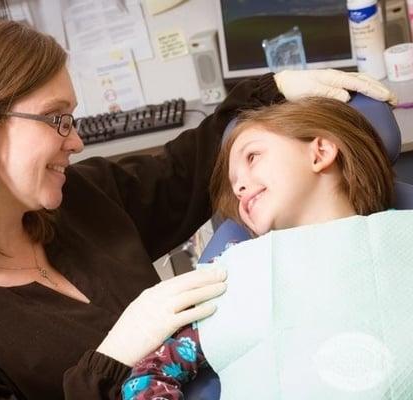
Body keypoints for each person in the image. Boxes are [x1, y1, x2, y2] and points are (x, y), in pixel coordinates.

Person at [0, 18, 395, 400]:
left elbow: (179, 171)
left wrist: (267, 94)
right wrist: (110, 360)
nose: (76, 141)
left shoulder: (75, 202)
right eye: (57, 119)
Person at [121, 97, 395, 400]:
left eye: (252, 157)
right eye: (235, 183)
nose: (239, 188)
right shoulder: (238, 277)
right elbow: (150, 373)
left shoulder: (400, 240)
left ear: (320, 152)